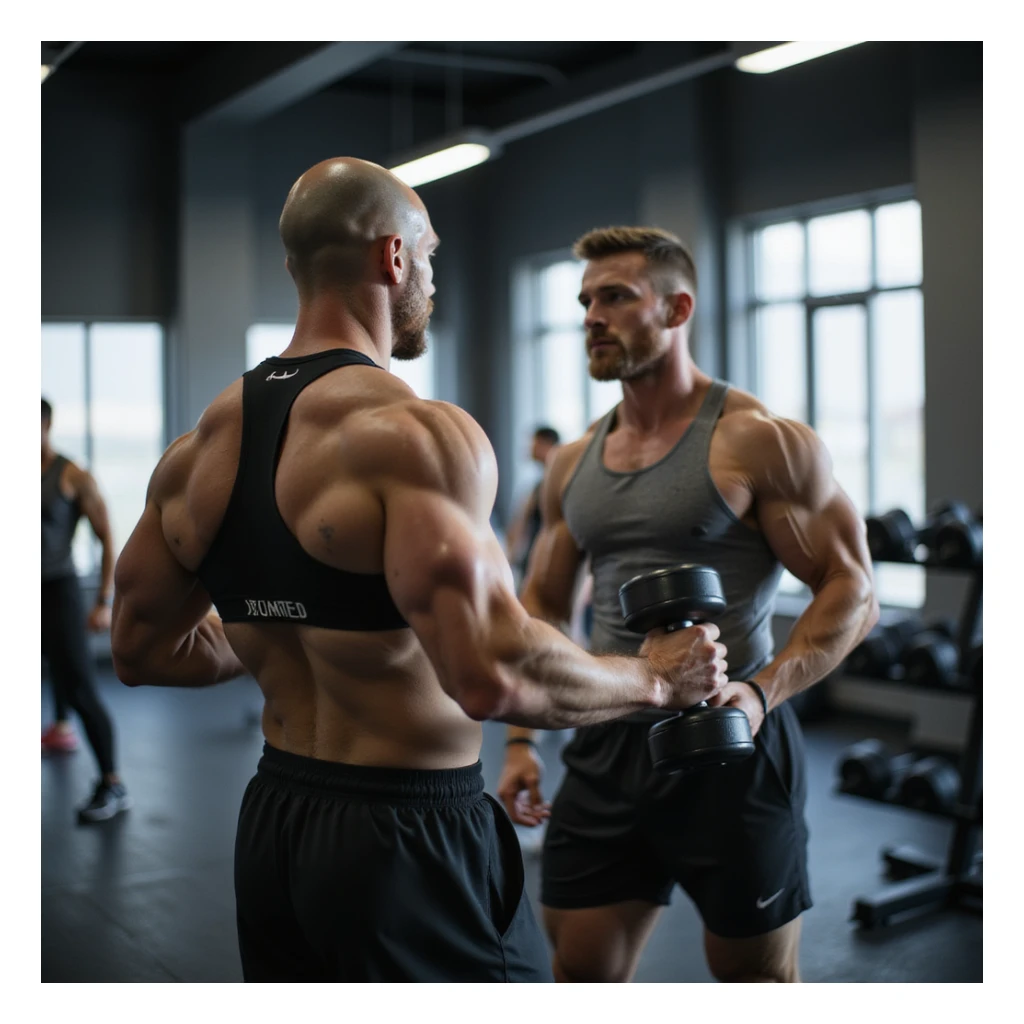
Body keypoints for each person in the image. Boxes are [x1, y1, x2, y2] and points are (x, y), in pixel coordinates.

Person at [109, 159, 729, 983]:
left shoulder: (197, 453)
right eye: (429, 255)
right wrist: (656, 680)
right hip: (403, 836)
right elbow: (494, 674)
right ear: (393, 258)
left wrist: (284, 610)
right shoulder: (415, 435)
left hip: (275, 825)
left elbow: (140, 650)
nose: (431, 278)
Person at [497, 226, 879, 983]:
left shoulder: (758, 442)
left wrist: (762, 694)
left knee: (756, 984)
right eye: (584, 301)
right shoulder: (572, 461)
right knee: (581, 975)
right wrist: (519, 740)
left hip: (729, 743)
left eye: (615, 297)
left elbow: (854, 589)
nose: (591, 317)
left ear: (676, 310)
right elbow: (541, 599)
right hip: (605, 743)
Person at [41, 397, 132, 823]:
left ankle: (112, 783)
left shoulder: (73, 476)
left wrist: (103, 600)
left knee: (79, 688)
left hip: (58, 592)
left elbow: (108, 538)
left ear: (46, 424)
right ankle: (58, 728)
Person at [505, 425, 561, 585]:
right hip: (532, 560)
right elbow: (520, 523)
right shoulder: (538, 485)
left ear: (547, 444)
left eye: (534, 443)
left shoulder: (557, 483)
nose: (530, 448)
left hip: (546, 563)